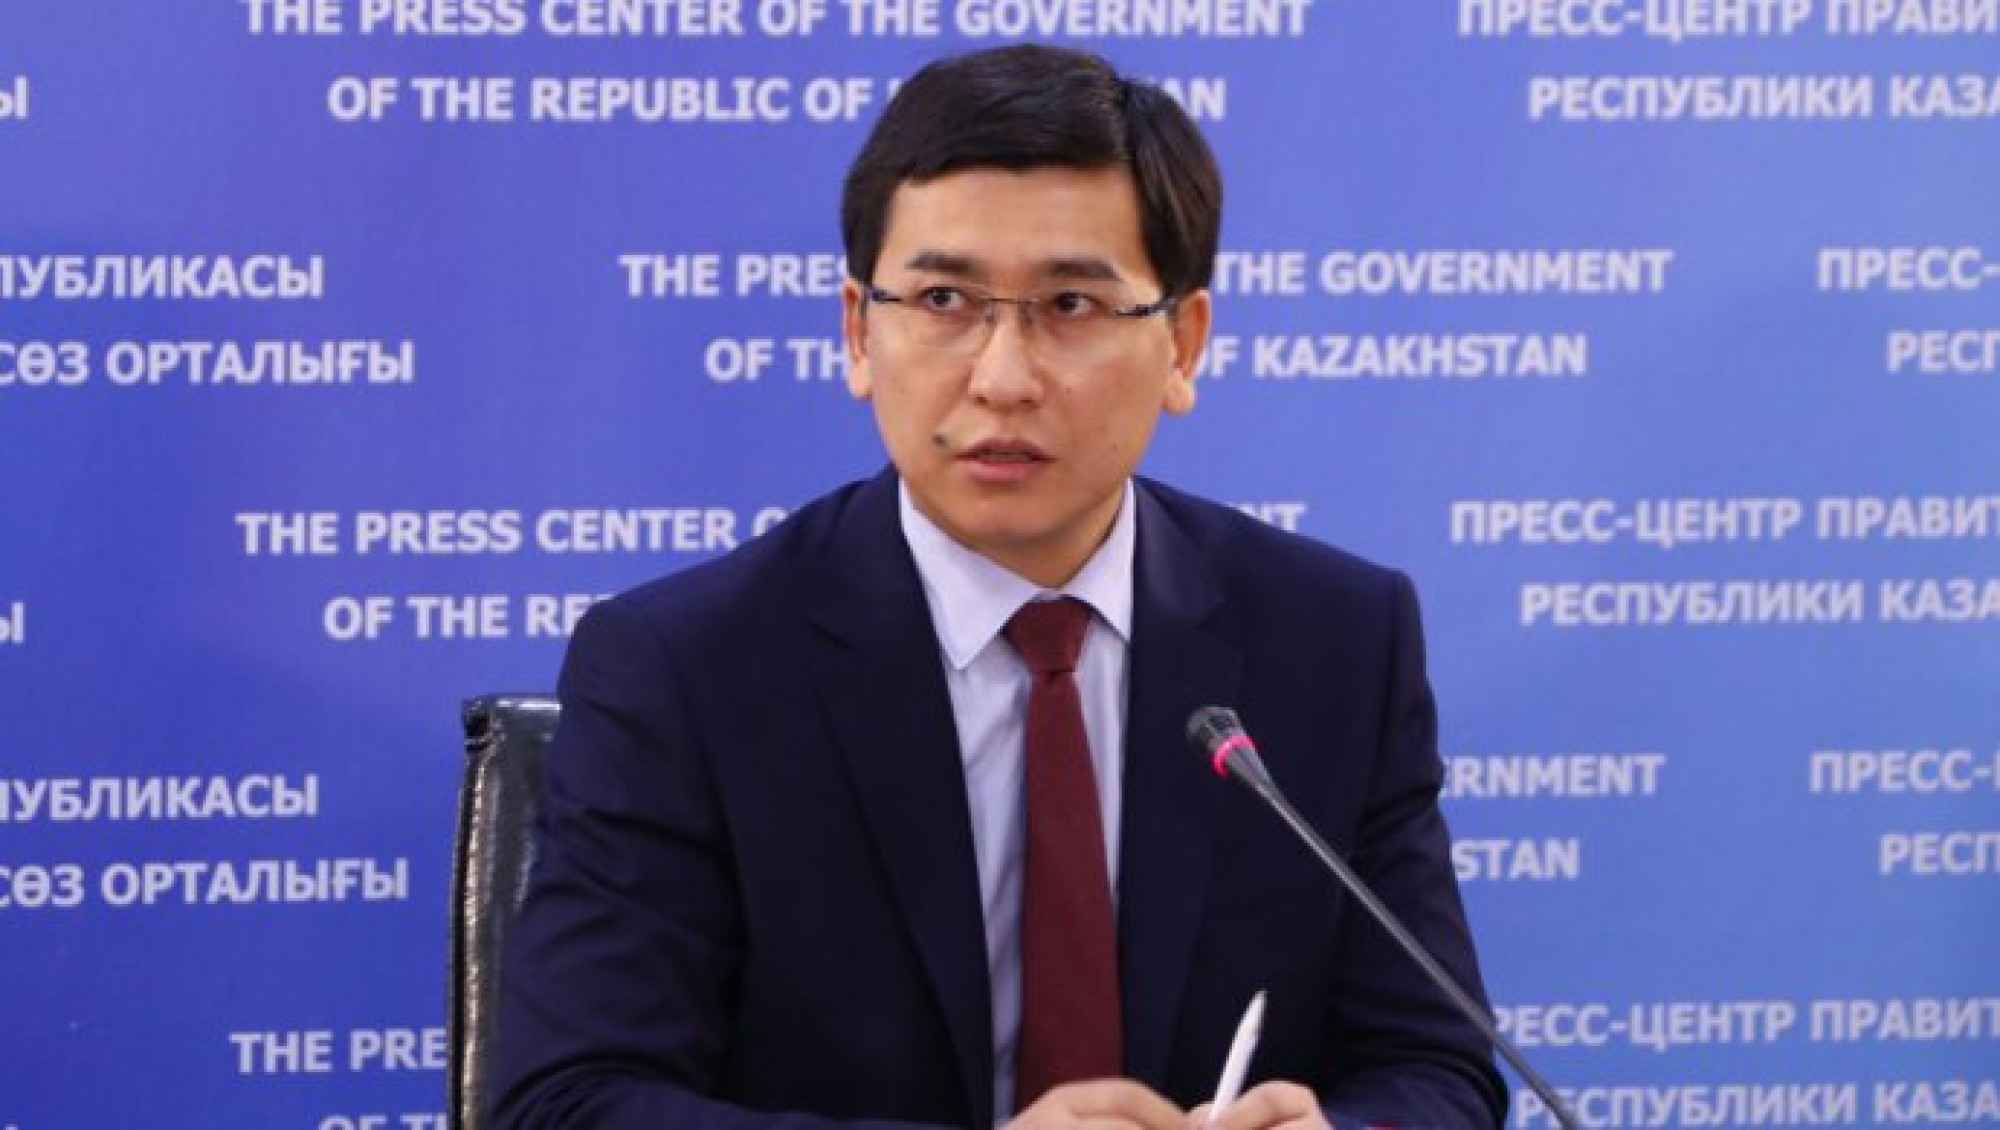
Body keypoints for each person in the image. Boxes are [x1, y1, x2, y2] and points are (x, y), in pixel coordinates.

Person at [491, 43, 1507, 1130]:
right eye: (943, 298)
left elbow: (1436, 1069)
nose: (1002, 376)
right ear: (858, 333)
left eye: (1070, 303)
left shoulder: (1336, 642)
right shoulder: (687, 670)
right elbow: (569, 1103)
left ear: (1182, 344)